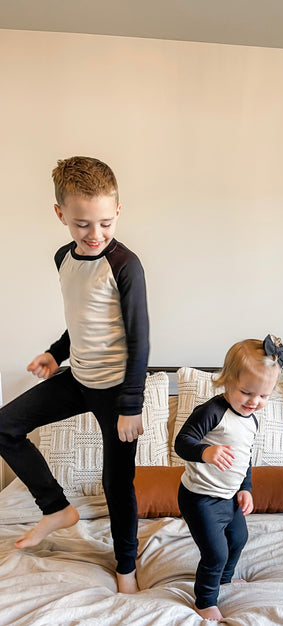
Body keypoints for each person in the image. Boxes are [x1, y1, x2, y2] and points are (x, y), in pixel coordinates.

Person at [0, 156, 149, 594]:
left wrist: (131, 404)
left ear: (118, 210)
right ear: (60, 214)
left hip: (117, 391)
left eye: (105, 222)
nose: (95, 234)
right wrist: (55, 353)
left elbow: (140, 339)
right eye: (82, 224)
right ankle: (57, 509)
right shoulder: (63, 258)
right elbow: (83, 321)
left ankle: (126, 566)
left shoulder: (125, 265)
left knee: (116, 482)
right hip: (78, 378)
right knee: (5, 427)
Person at [175, 335, 283, 622]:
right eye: (246, 392)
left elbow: (244, 458)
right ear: (227, 381)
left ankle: (223, 579)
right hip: (200, 497)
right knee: (215, 552)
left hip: (228, 497)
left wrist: (245, 488)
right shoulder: (212, 412)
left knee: (239, 538)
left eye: (263, 396)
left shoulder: (251, 419)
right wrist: (205, 452)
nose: (254, 402)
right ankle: (204, 601)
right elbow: (182, 443)